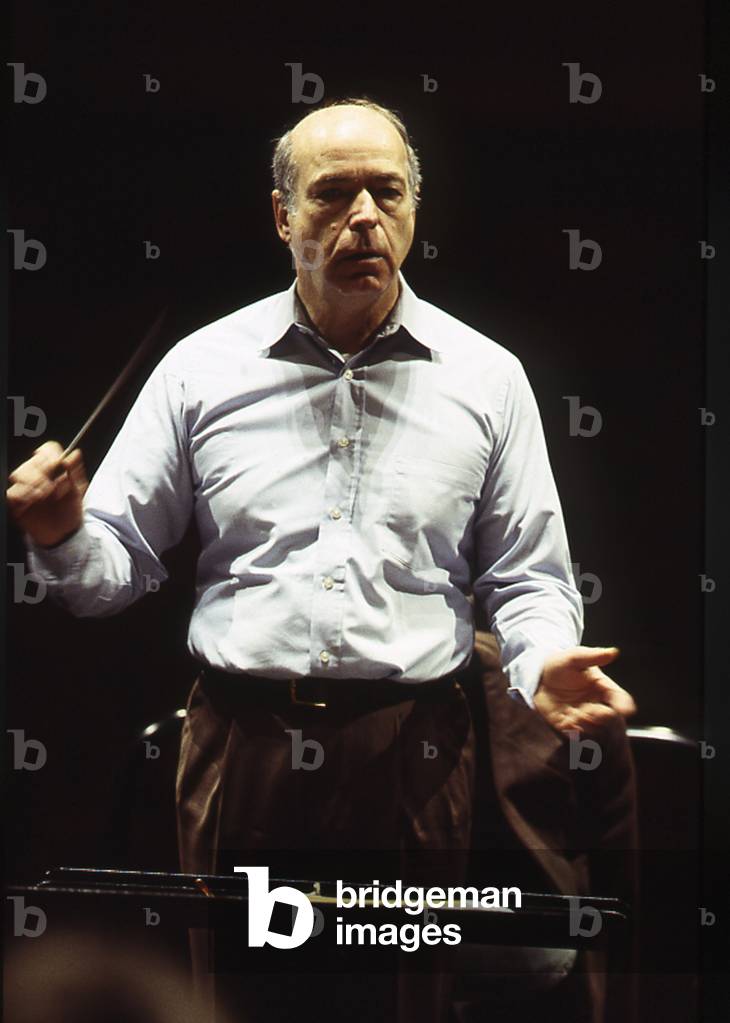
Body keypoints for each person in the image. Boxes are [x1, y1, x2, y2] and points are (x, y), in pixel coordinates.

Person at [7, 97, 636, 1023]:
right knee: (242, 1002)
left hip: (415, 752)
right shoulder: (200, 369)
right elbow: (114, 570)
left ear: (416, 210)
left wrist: (541, 662)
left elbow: (528, 576)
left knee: (399, 1005)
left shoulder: (487, 377)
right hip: (240, 746)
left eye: (387, 192)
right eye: (333, 194)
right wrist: (60, 533)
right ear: (282, 215)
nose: (363, 218)